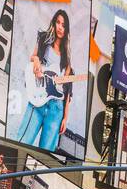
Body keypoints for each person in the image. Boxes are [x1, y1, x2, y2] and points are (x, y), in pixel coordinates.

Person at [17, 8, 80, 153]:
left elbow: (67, 92)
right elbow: (32, 57)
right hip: (38, 101)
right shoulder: (44, 39)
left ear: (67, 29)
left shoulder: (67, 57)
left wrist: (65, 118)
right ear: (54, 23)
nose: (60, 27)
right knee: (22, 143)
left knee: (44, 156)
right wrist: (37, 61)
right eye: (58, 22)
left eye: (64, 25)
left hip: (56, 110)